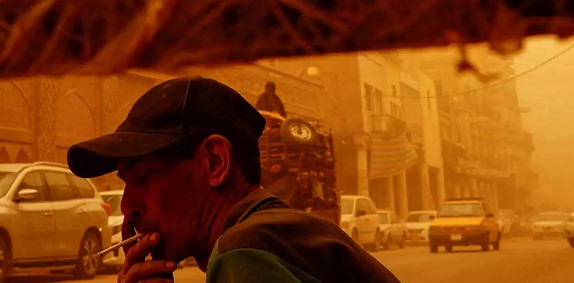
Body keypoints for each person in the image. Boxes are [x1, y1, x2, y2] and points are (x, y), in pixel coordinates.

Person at [68, 77, 398, 283]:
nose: (128, 207)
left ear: (215, 162)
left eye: (144, 177)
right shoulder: (276, 233)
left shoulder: (244, 250)